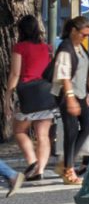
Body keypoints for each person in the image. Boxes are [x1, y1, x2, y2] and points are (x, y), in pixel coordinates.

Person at [6, 15, 58, 187]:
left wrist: (7, 97)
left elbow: (15, 74)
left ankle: (32, 160)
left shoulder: (19, 47)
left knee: (19, 130)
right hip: (45, 92)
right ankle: (40, 171)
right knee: (43, 135)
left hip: (27, 92)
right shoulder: (48, 48)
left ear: (21, 30)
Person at [51, 16, 89, 185]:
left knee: (87, 127)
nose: (85, 38)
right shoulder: (65, 48)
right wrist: (70, 99)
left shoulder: (79, 48)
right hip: (67, 94)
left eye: (88, 35)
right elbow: (64, 76)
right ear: (73, 31)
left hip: (80, 93)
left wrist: (87, 93)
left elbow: (83, 71)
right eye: (83, 34)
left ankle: (65, 163)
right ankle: (69, 171)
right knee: (71, 132)